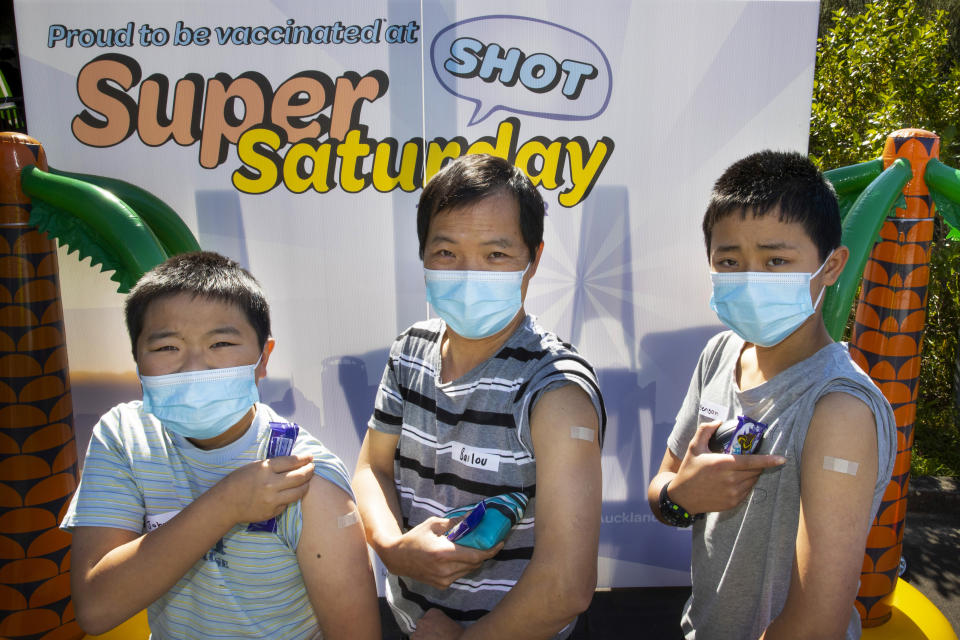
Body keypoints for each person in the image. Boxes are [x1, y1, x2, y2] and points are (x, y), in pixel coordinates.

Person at [61, 251, 380, 639]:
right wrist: (227, 503)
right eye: (167, 348)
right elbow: (96, 608)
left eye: (221, 343)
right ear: (137, 360)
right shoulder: (124, 436)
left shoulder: (306, 476)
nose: (195, 366)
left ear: (263, 359)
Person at [353, 154, 605, 640]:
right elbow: (371, 468)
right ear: (423, 255)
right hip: (412, 622)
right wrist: (391, 548)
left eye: (496, 254)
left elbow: (567, 586)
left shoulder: (557, 390)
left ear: (533, 259)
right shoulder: (410, 350)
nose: (470, 274)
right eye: (447, 252)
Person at [646, 150, 897, 639]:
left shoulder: (838, 409)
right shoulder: (720, 353)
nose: (750, 278)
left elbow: (816, 622)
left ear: (831, 265)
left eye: (776, 260)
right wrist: (682, 497)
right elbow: (663, 488)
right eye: (729, 261)